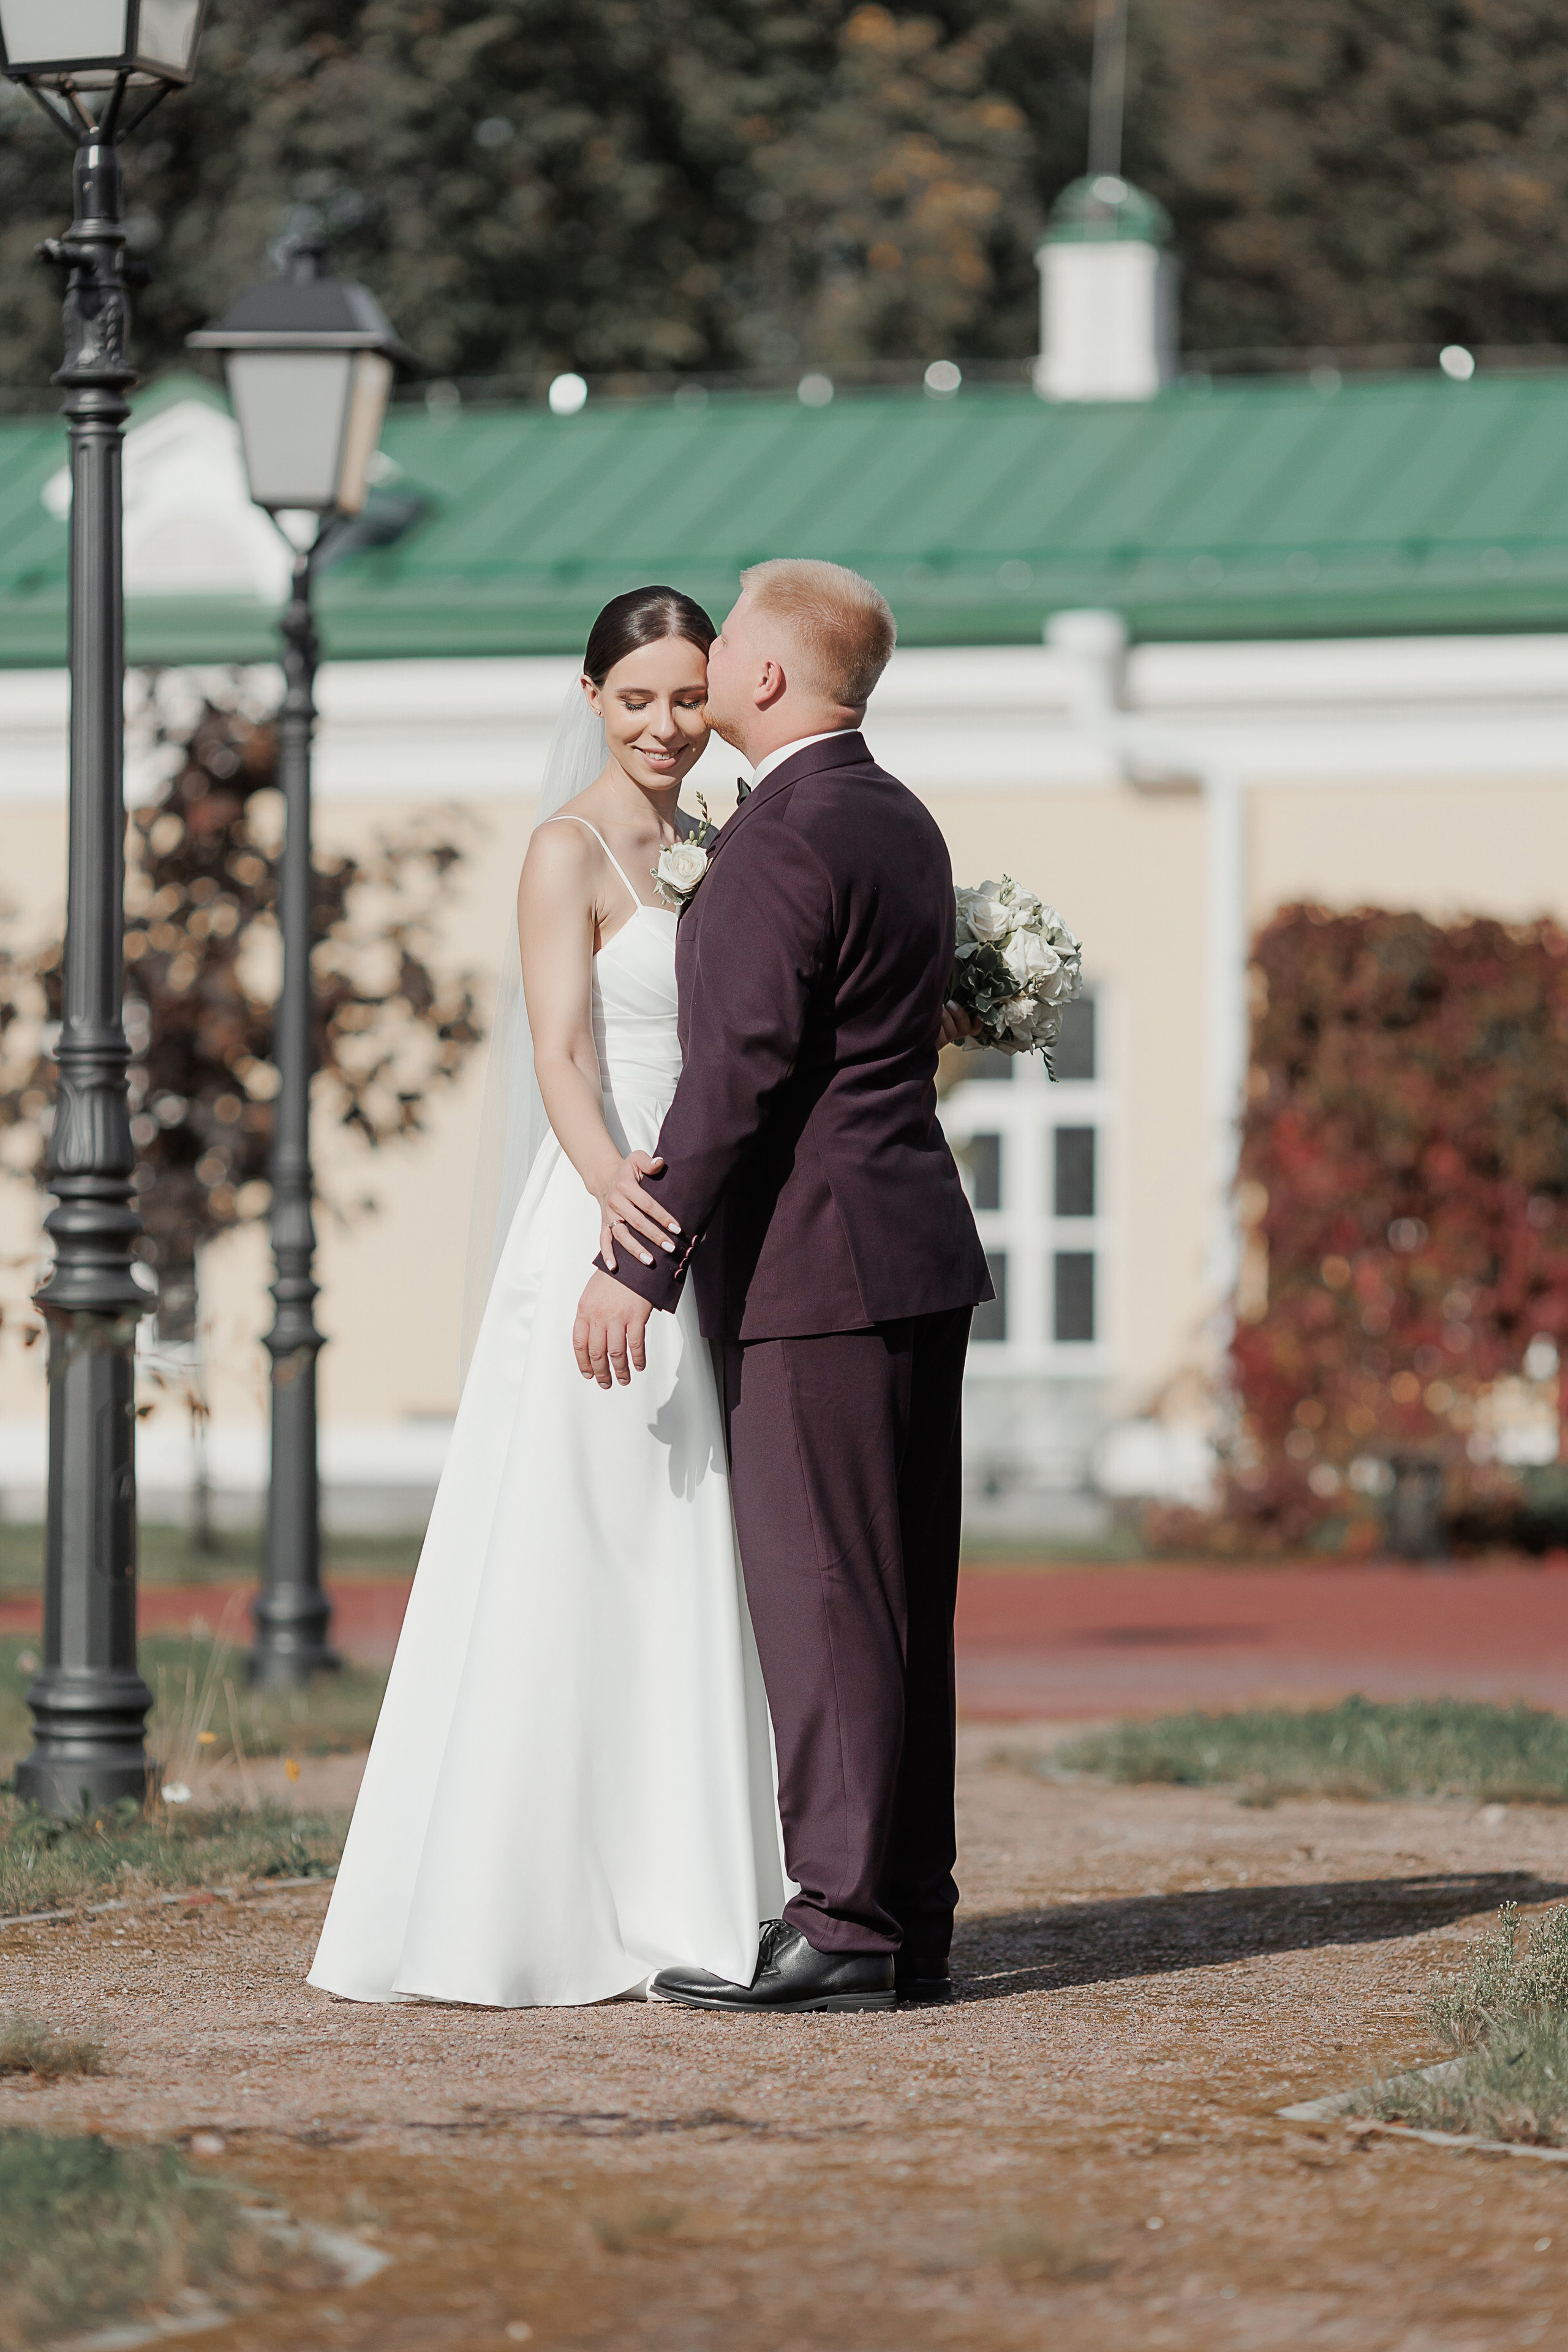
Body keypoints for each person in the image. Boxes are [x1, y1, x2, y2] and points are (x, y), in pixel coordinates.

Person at [307, 586, 788, 2009]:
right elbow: (562, 1058)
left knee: (687, 1544)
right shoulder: (561, 853)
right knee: (571, 1544)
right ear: (590, 696)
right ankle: (518, 1906)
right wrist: (616, 1218)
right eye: (635, 697)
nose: (663, 724)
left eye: (686, 697)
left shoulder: (724, 839)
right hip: (608, 1216)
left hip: (708, 1224)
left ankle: (696, 1892)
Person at [574, 558, 993, 2015]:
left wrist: (637, 1256)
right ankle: (907, 1917)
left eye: (730, 642)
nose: (712, 661)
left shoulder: (780, 838)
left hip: (814, 1269)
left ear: (765, 679)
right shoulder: (895, 815)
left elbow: (736, 1074)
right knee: (896, 1603)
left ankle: (844, 1926)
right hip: (913, 1253)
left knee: (822, 1599)